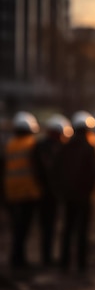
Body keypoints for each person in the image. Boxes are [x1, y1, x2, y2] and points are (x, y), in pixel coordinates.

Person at [57, 110, 95, 273]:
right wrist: (91, 192)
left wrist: (62, 191)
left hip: (68, 196)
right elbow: (94, 173)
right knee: (82, 231)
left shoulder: (65, 147)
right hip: (84, 197)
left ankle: (64, 263)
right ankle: (82, 264)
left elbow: (57, 171)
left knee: (67, 229)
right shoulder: (90, 148)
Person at [2, 111, 42, 269]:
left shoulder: (9, 146)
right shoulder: (32, 145)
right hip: (28, 192)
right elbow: (39, 169)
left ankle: (16, 257)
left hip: (11, 193)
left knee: (16, 228)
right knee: (23, 228)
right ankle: (19, 259)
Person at [33, 113, 73, 267]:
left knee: (45, 227)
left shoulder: (38, 146)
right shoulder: (62, 149)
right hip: (54, 193)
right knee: (52, 226)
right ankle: (48, 258)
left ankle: (45, 256)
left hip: (40, 192)